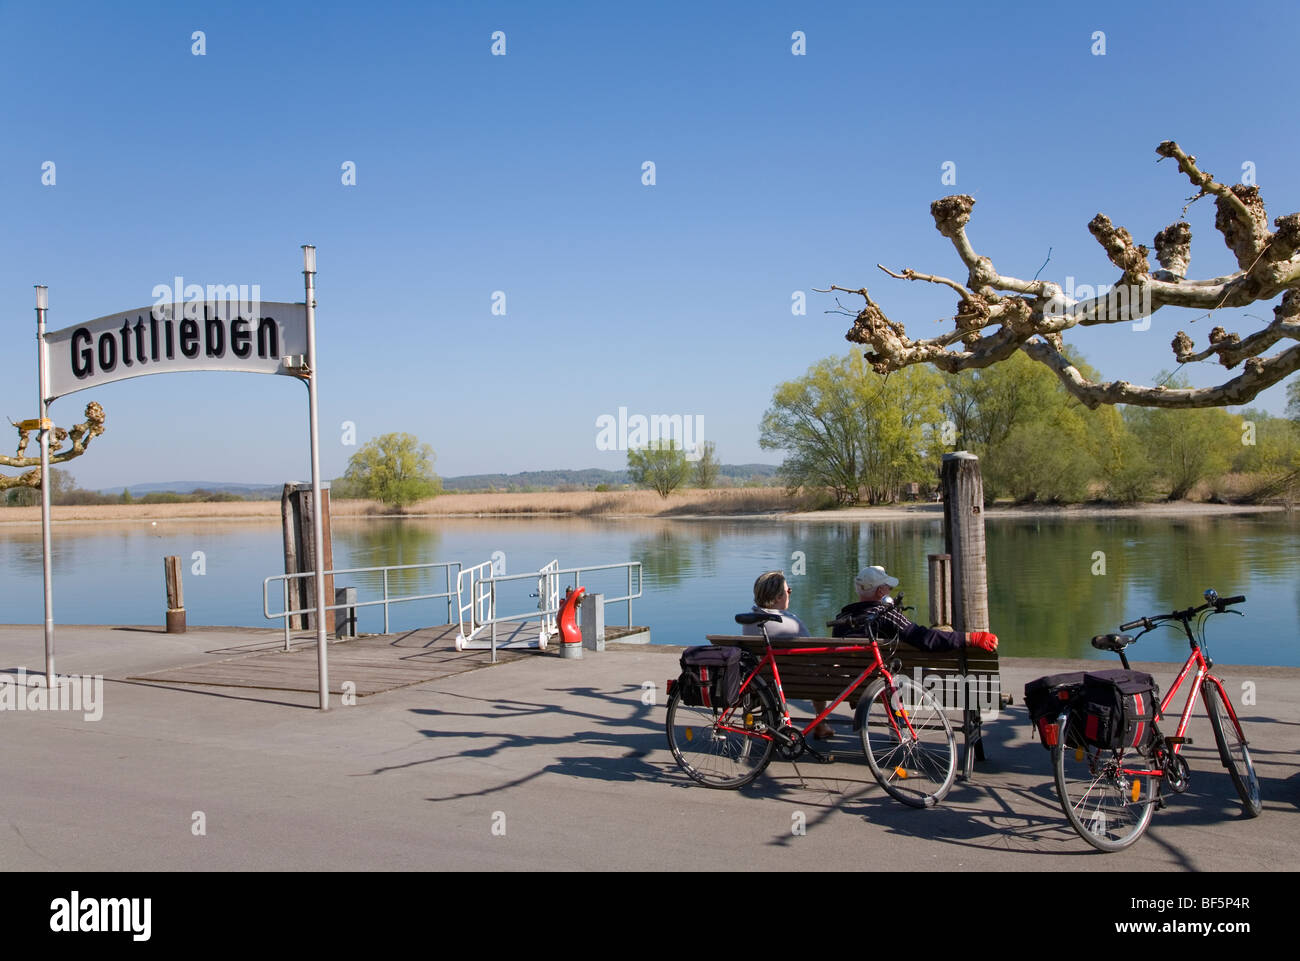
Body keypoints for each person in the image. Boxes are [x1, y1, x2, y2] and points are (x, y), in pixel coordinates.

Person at [832, 566, 999, 653]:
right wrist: (970, 638)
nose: (890, 591)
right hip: (885, 680)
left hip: (848, 684)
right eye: (888, 587)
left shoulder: (841, 619)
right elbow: (925, 638)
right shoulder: (887, 615)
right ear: (880, 592)